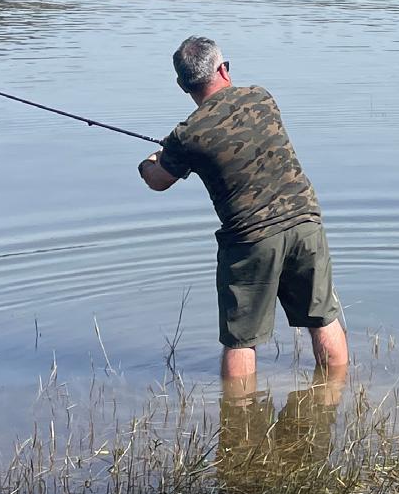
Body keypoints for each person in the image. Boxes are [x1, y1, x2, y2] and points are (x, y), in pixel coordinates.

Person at [139, 36, 349, 380]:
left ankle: (239, 411)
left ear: (182, 85)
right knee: (323, 317)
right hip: (305, 221)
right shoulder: (261, 97)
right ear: (224, 69)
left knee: (240, 339)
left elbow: (158, 180)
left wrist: (151, 160)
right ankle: (335, 392)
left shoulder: (186, 136)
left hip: (251, 238)